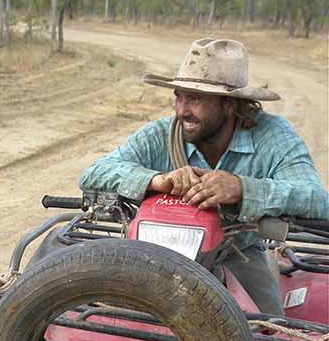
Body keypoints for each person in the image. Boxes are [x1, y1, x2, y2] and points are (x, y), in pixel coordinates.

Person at [77, 38, 328, 314]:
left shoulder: (272, 136)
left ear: (229, 105)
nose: (182, 110)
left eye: (194, 99)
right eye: (179, 96)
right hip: (158, 255)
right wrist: (156, 180)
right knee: (109, 326)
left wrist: (243, 189)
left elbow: (316, 198)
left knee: (271, 338)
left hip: (237, 254)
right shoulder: (162, 134)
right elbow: (94, 172)